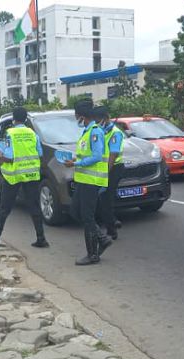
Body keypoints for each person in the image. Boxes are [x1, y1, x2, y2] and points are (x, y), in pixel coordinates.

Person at [0, 107, 49, 253]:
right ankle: (41, 239)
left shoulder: (10, 133)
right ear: (26, 119)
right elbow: (40, 154)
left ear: (14, 120)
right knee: (34, 207)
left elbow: (9, 157)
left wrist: (1, 157)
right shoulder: (33, 134)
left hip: (14, 176)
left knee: (4, 209)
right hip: (31, 174)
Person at [64, 100, 112, 265]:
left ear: (81, 116)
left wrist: (76, 164)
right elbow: (88, 154)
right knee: (75, 212)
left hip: (92, 180)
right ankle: (101, 238)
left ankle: (92, 254)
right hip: (83, 180)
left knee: (86, 215)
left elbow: (97, 156)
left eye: (76, 116)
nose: (76, 118)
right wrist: (75, 159)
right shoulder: (87, 131)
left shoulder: (95, 132)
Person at [94, 106, 124, 240]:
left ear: (105, 118)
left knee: (106, 199)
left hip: (113, 168)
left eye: (98, 120)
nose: (96, 122)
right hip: (103, 168)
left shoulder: (115, 133)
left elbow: (113, 154)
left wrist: (105, 172)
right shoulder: (102, 131)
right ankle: (112, 220)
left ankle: (111, 231)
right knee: (103, 198)